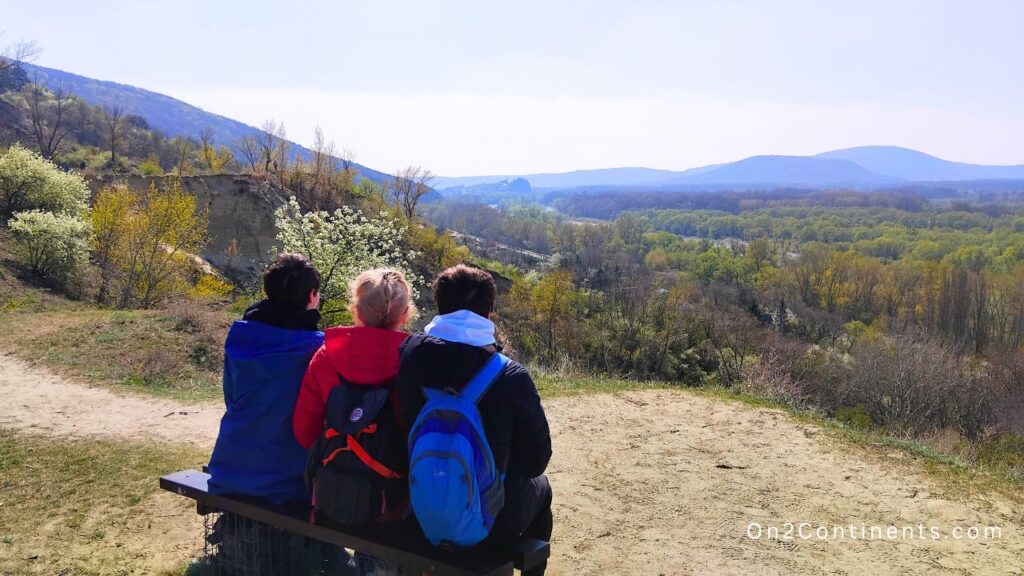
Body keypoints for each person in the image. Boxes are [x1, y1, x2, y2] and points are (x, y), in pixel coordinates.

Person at [396, 264, 553, 576]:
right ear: (490, 313)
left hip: (420, 506)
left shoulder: (410, 355)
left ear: (439, 306)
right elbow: (537, 461)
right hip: (490, 524)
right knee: (542, 488)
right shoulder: (509, 375)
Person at [294, 268, 415, 576]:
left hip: (332, 491)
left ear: (356, 311)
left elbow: (304, 429)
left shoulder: (326, 356)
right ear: (405, 315)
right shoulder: (414, 361)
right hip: (393, 500)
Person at [208, 252, 324, 504]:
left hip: (229, 468)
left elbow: (231, 398)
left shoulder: (240, 337)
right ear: (312, 295)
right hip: (288, 482)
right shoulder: (318, 349)